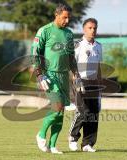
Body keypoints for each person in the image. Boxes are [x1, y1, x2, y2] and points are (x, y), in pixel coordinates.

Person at [31, 3, 83, 154]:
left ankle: (53, 146)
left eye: (69, 18)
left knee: (61, 113)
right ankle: (41, 134)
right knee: (57, 107)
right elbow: (35, 53)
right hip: (49, 76)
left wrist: (76, 74)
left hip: (63, 77)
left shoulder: (68, 33)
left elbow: (71, 57)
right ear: (56, 15)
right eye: (64, 17)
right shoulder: (45, 31)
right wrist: (40, 74)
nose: (67, 21)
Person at [68, 18, 102, 152]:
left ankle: (88, 144)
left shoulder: (99, 45)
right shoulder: (77, 45)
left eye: (95, 28)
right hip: (80, 81)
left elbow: (98, 66)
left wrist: (100, 85)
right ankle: (72, 136)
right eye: (90, 28)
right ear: (84, 29)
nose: (93, 30)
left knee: (93, 114)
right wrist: (76, 80)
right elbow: (71, 65)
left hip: (94, 83)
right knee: (83, 112)